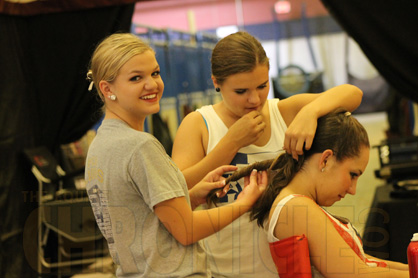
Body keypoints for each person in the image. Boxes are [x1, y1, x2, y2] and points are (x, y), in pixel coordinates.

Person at [171, 31, 363, 277]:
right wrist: (230, 143)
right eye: (241, 91)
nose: (255, 99)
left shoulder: (283, 112)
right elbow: (175, 190)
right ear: (216, 82)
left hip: (295, 268)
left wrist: (309, 112)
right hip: (227, 270)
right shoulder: (199, 124)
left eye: (262, 86)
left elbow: (353, 94)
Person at [84, 32, 268, 278]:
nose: (152, 84)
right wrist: (245, 202)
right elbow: (185, 230)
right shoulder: (140, 146)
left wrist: (191, 197)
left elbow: (144, 221)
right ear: (107, 89)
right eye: (136, 78)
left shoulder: (100, 145)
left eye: (155, 73)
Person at [220, 109, 409, 278]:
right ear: (326, 159)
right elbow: (355, 273)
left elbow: (362, 261)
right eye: (352, 175)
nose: (353, 190)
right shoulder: (296, 207)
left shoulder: (298, 204)